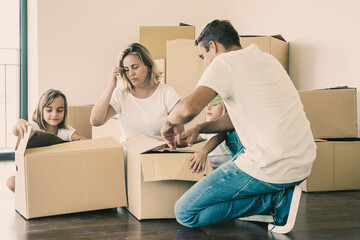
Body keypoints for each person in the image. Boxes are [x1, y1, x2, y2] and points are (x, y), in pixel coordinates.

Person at [161, 20, 316, 232]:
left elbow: (188, 109)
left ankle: (273, 199)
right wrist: (201, 128)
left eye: (203, 56)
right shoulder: (267, 59)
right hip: (303, 162)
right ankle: (274, 194)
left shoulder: (223, 63)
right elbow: (236, 120)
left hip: (272, 167)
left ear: (213, 46)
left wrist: (169, 121)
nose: (205, 63)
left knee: (185, 212)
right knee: (232, 136)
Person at [90, 43, 180, 142]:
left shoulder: (167, 93)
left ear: (148, 66)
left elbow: (179, 135)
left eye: (135, 67)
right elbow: (95, 121)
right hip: (129, 153)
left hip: (158, 153)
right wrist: (110, 87)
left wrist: (156, 146)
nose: (131, 73)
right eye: (126, 69)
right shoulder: (121, 94)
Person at [6, 89, 86, 192]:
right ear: (41, 110)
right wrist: (20, 122)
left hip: (60, 175)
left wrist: (78, 140)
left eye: (60, 110)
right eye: (49, 110)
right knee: (11, 182)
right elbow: (16, 132)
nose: (54, 114)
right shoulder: (35, 127)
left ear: (64, 111)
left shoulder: (66, 131)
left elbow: (87, 143)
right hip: (36, 175)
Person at [187, 95, 244, 172]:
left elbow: (218, 138)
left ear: (225, 107)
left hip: (231, 171)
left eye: (214, 104)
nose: (208, 108)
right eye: (206, 105)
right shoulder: (207, 131)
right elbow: (188, 140)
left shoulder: (228, 128)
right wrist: (172, 141)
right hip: (215, 171)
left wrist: (203, 151)